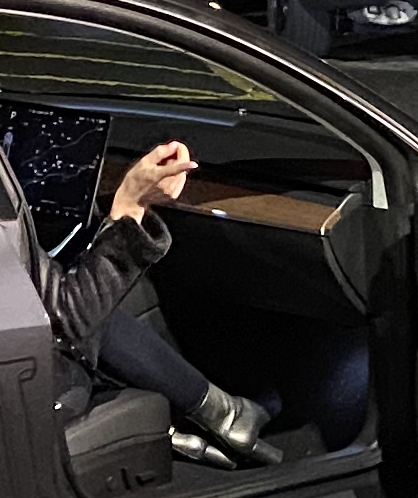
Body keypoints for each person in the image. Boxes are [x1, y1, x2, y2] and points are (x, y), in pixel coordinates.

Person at [45, 138, 283, 467]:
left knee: (79, 300)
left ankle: (202, 423)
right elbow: (67, 322)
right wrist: (130, 205)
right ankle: (225, 416)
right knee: (91, 309)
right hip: (42, 398)